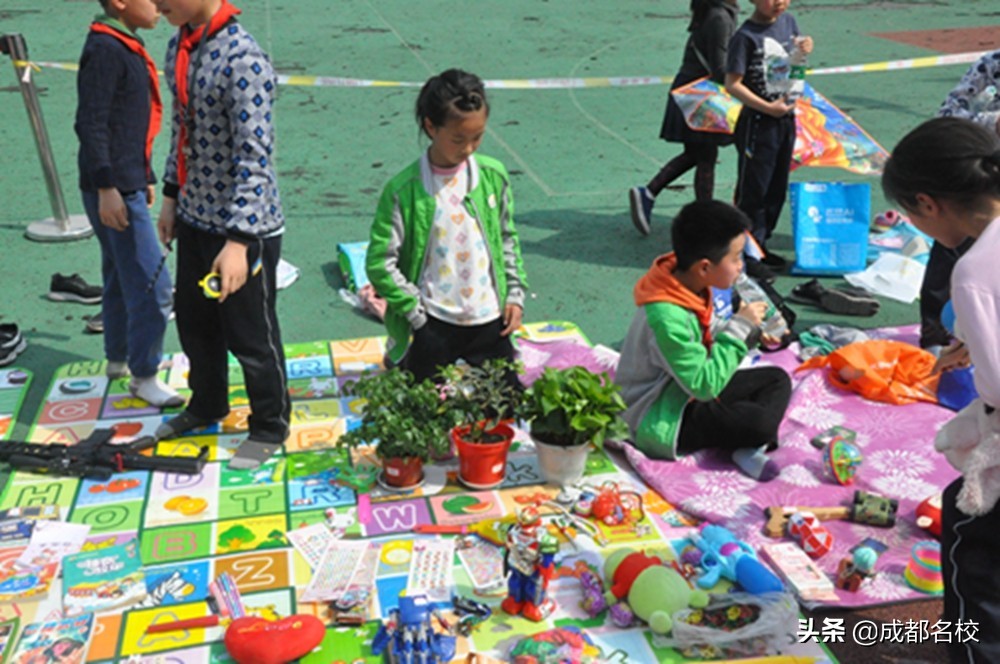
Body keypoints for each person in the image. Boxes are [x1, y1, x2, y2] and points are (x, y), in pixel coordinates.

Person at [882, 117, 1000, 663]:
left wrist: (978, 371)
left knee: (971, 544)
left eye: (910, 214)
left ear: (928, 204)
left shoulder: (973, 269)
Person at [154, 0, 289, 470]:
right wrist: (171, 196)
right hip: (195, 217)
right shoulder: (180, 45)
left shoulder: (243, 59)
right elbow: (181, 131)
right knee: (196, 325)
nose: (157, 3)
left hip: (243, 230)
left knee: (251, 335)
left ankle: (270, 424)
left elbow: (255, 157)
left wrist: (239, 241)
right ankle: (208, 402)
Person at [366, 69, 529, 383]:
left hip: (489, 319)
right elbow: (379, 262)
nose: (468, 148)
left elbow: (508, 239)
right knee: (419, 409)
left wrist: (514, 296)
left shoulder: (493, 177)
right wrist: (415, 314)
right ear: (430, 126)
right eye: (458, 139)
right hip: (434, 322)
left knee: (507, 408)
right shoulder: (404, 190)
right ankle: (402, 355)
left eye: (477, 137)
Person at [615, 200, 791, 481]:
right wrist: (739, 326)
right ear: (705, 268)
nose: (740, 266)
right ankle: (744, 445)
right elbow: (704, 386)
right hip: (657, 414)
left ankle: (740, 437)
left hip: (682, 387)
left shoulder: (687, 283)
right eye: (735, 258)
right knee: (756, 422)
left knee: (777, 379)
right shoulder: (665, 317)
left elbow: (707, 329)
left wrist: (753, 333)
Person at [75, 0, 182, 408]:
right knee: (154, 284)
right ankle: (145, 373)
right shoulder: (106, 49)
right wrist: (108, 187)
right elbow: (92, 122)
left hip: (124, 180)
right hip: (113, 187)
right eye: (152, 0)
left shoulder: (121, 42)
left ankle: (118, 358)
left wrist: (143, 175)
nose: (161, 5)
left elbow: (126, 123)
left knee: (120, 274)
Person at [628, 0, 740, 236]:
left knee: (698, 154)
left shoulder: (713, 12)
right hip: (697, 98)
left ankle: (648, 193)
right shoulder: (720, 17)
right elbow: (720, 69)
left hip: (691, 94)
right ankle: (704, 221)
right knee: (705, 156)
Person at [725, 0, 813, 280]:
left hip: (785, 118)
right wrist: (766, 107)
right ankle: (744, 253)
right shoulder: (745, 37)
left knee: (776, 188)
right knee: (754, 189)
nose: (778, 3)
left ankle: (760, 245)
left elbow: (793, 65)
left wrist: (803, 51)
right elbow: (732, 83)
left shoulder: (789, 24)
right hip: (758, 121)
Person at [917, 52, 999, 350]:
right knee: (953, 247)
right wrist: (993, 121)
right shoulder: (991, 65)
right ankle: (935, 331)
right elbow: (948, 114)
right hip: (978, 179)